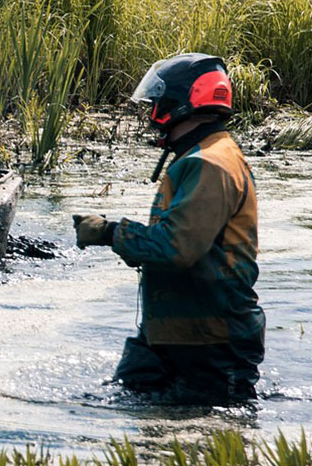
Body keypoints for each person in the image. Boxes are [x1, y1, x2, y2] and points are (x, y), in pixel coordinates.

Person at [72, 53, 265, 405]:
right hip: (172, 336)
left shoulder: (211, 163)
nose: (153, 112)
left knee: (205, 434)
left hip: (210, 344)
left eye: (158, 102)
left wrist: (110, 232)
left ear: (183, 103)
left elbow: (176, 247)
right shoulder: (200, 156)